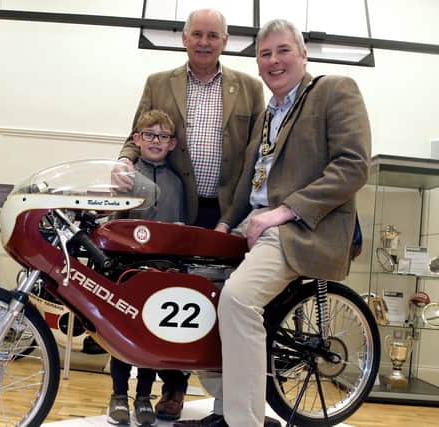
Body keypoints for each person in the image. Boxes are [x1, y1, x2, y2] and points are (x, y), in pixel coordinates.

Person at [173, 18, 371, 427]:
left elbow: (353, 167)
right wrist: (225, 225)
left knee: (238, 299)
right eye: (265, 54)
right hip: (258, 225)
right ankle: (227, 406)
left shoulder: (335, 90)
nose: (273, 61)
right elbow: (250, 179)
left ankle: (243, 422)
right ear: (258, 64)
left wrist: (284, 211)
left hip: (302, 228)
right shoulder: (268, 114)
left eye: (283, 51)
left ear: (303, 54)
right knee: (201, 299)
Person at [116, 8, 265, 420]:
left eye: (212, 35)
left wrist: (241, 212)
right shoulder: (158, 83)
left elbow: (255, 154)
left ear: (225, 40)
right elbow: (134, 136)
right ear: (184, 38)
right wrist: (124, 164)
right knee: (167, 295)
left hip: (225, 209)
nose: (204, 41)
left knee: (214, 301)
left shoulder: (250, 88)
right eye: (196, 34)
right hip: (173, 204)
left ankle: (201, 396)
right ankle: (163, 386)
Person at [107, 109, 184, 426]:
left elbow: (179, 228)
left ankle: (143, 397)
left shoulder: (177, 184)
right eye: (149, 135)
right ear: (136, 139)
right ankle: (118, 395)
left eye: (162, 136)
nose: (155, 141)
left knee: (151, 336)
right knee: (121, 338)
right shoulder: (125, 177)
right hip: (126, 269)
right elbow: (114, 222)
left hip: (160, 272)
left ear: (173, 143)